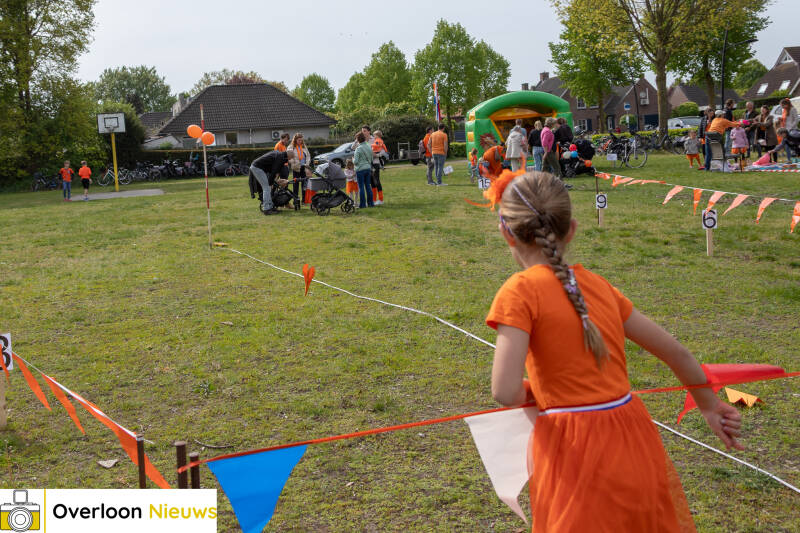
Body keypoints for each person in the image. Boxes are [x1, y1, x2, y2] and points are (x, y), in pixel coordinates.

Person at [486, 170, 742, 532]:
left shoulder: (518, 292)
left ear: (505, 231)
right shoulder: (599, 286)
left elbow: (504, 391)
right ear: (571, 229)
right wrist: (709, 405)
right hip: (633, 436)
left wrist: (540, 393)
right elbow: (677, 353)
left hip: (572, 446)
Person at [249, 149, 296, 215]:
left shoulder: (280, 155)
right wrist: (271, 183)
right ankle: (266, 209)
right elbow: (274, 171)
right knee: (266, 188)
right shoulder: (280, 157)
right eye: (291, 157)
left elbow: (275, 171)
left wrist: (274, 181)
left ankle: (270, 207)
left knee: (267, 187)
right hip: (257, 167)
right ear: (289, 156)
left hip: (258, 167)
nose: (290, 159)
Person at [288, 133, 310, 205]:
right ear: (295, 140)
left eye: (301, 140)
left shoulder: (304, 146)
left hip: (304, 167)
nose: (300, 141)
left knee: (304, 185)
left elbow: (308, 156)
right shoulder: (291, 147)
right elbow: (288, 156)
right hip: (296, 168)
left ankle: (304, 201)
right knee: (295, 185)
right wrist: (293, 163)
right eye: (299, 140)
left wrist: (307, 164)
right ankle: (295, 201)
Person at [353, 132, 374, 208]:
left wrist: (352, 159)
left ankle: (362, 204)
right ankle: (371, 203)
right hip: (368, 168)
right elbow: (371, 158)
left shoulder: (358, 149)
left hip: (360, 169)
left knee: (361, 187)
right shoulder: (369, 146)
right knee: (368, 186)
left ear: (358, 140)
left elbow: (355, 162)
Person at [371, 130, 388, 205]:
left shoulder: (378, 141)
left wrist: (377, 155)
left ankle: (381, 199)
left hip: (375, 163)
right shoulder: (374, 141)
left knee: (376, 181)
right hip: (371, 164)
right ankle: (374, 199)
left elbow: (383, 151)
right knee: (372, 182)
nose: (374, 137)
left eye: (374, 135)